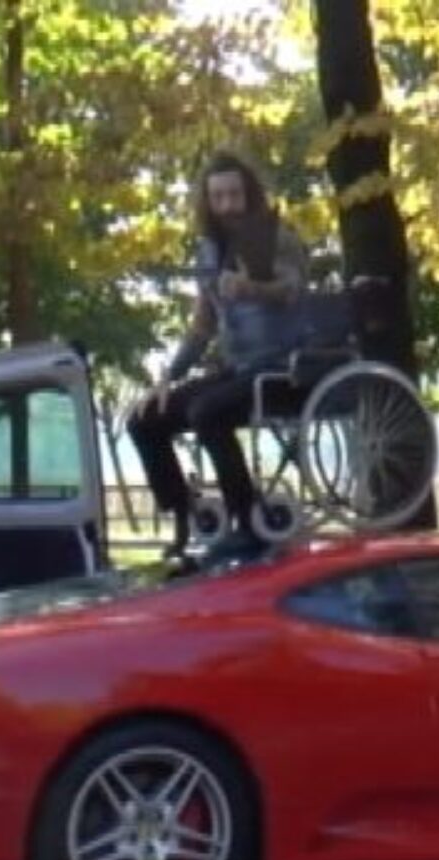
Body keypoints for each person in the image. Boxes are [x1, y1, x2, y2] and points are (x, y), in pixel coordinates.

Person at [127, 151, 312, 561]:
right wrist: (168, 377)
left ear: (249, 194)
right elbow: (202, 326)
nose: (228, 205)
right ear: (207, 202)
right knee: (143, 418)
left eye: (235, 194)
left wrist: (253, 290)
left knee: (207, 412)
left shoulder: (276, 236)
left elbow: (292, 288)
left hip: (282, 369)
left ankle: (247, 522)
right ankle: (185, 516)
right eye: (218, 197)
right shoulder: (207, 250)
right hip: (235, 369)